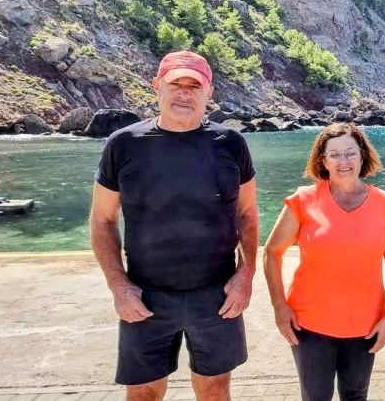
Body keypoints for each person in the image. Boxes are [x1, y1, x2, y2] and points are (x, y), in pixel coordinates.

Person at [89, 50, 259, 399]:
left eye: (194, 85)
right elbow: (103, 219)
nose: (185, 93)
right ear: (157, 87)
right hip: (145, 295)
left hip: (217, 294)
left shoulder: (231, 144)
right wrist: (119, 286)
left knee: (215, 389)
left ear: (208, 92)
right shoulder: (123, 144)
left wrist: (245, 276)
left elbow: (247, 214)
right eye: (175, 83)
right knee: (144, 393)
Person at [262, 123, 385, 401]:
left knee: (356, 395)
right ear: (322, 160)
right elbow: (271, 252)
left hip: (366, 324)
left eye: (350, 153)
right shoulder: (303, 200)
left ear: (363, 155)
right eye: (335, 155)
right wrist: (279, 307)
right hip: (309, 325)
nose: (344, 162)